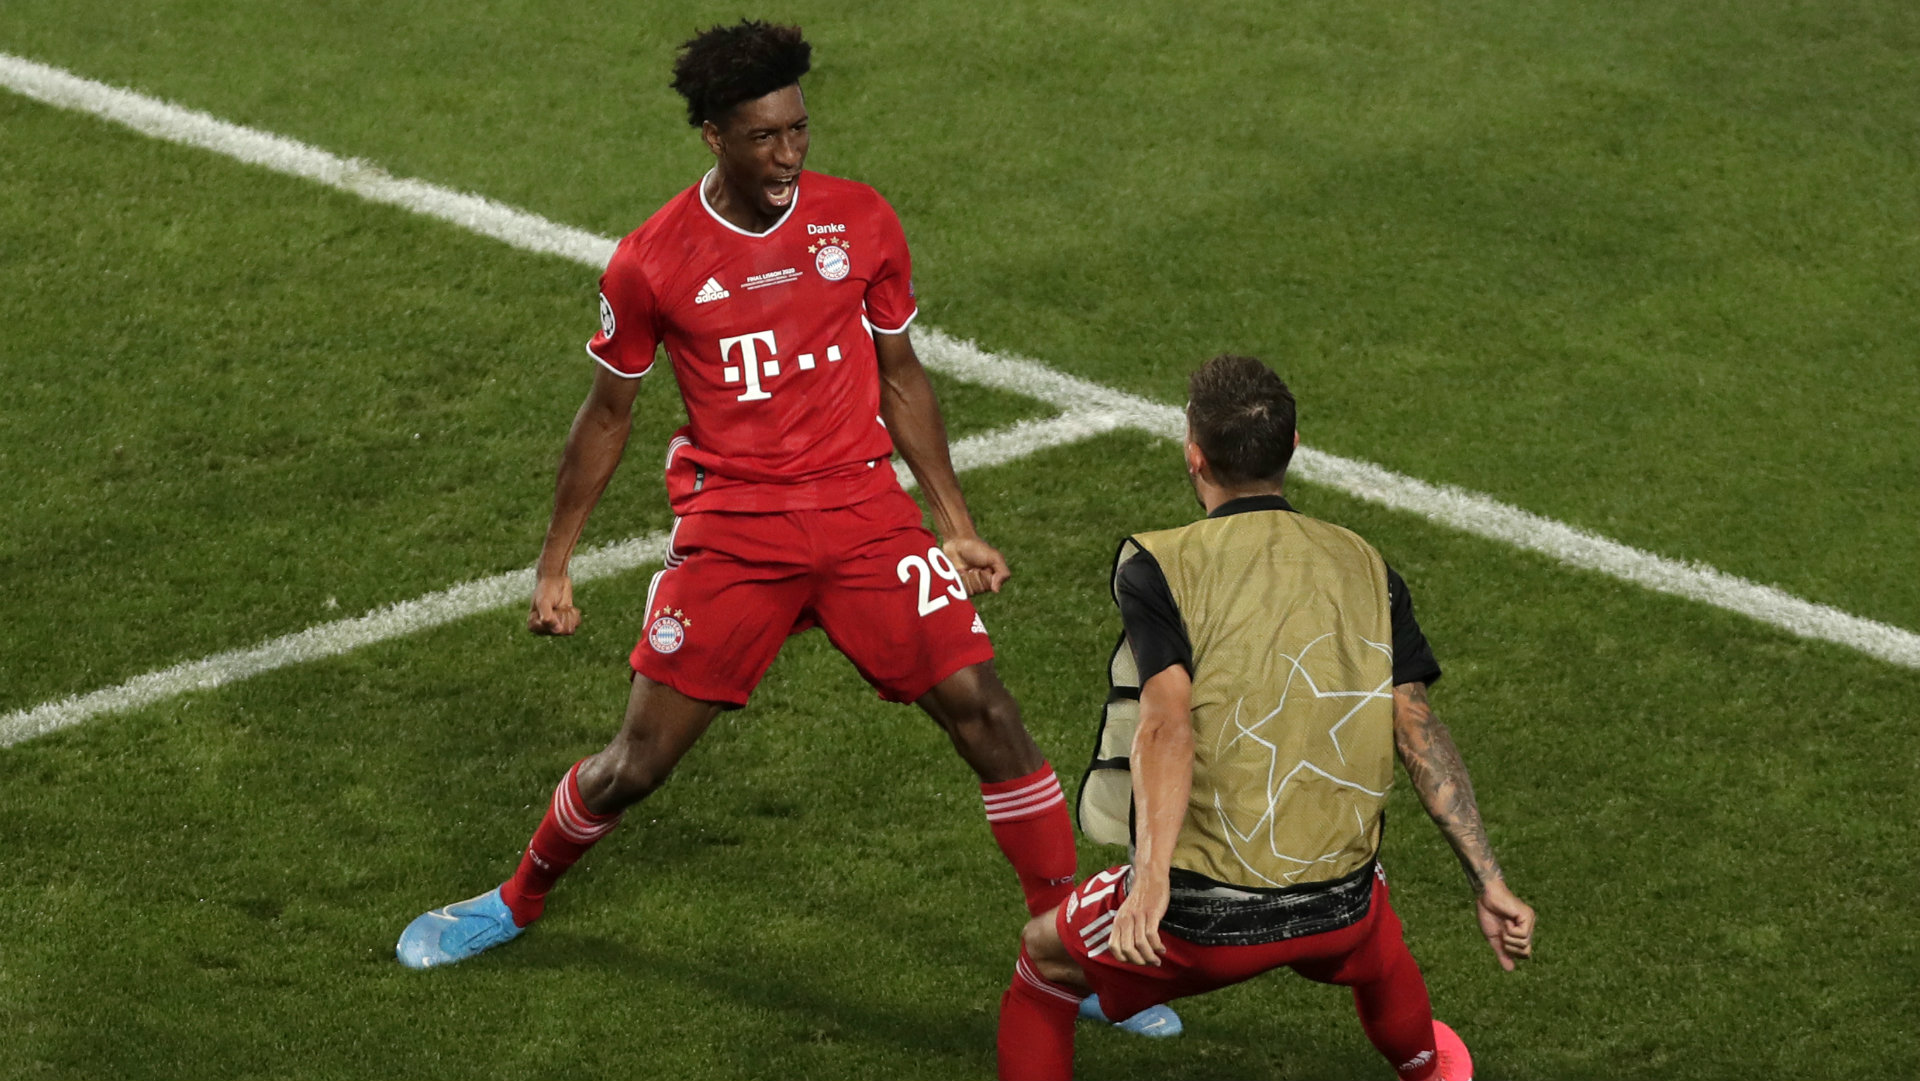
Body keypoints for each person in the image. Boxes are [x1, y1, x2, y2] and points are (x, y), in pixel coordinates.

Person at [394, 20, 1084, 975]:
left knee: (992, 718)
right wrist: (555, 564)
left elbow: (902, 374)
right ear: (714, 135)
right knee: (636, 762)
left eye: (799, 129)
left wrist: (955, 525)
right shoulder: (652, 260)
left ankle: (1074, 948)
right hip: (737, 529)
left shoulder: (861, 219)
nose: (790, 154)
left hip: (863, 515)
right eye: (765, 137)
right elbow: (606, 416)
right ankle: (516, 898)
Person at [997, 355, 1537, 1081]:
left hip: (1202, 919)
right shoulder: (1368, 565)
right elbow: (1418, 729)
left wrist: (1149, 882)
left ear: (1193, 454)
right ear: (1294, 448)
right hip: (1340, 905)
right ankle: (1426, 1068)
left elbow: (1166, 724)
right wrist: (1489, 881)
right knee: (1377, 938)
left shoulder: (1160, 565)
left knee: (1042, 959)